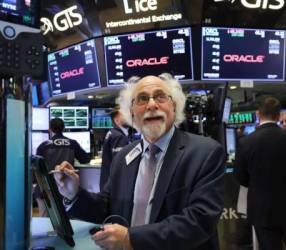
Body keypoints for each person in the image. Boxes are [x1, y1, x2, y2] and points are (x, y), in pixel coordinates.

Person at [54, 73, 225, 250]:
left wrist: (132, 239)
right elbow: (107, 208)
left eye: (161, 97)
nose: (152, 104)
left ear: (174, 106)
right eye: (142, 99)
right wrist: (74, 193)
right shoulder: (123, 157)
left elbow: (200, 221)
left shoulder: (205, 153)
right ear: (132, 113)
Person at [234, 97, 286, 250]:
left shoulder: (246, 142)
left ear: (258, 114)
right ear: (278, 116)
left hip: (261, 209)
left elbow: (240, 176)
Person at [34, 118, 91, 216]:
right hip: (65, 189)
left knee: (44, 221)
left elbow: (37, 168)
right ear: (63, 128)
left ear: (50, 129)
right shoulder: (72, 143)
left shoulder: (43, 146)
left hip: (46, 189)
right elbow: (85, 159)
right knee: (66, 220)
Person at [100, 106, 131, 190]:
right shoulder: (118, 136)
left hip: (108, 184)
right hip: (116, 186)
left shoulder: (112, 133)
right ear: (116, 120)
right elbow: (122, 164)